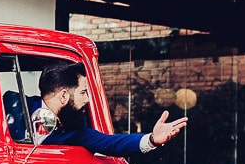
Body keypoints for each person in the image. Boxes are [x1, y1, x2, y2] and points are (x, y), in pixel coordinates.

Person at [33, 62, 187, 157]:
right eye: (82, 92)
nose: (87, 99)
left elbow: (112, 143)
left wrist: (152, 139)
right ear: (63, 97)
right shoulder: (12, 105)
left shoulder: (75, 130)